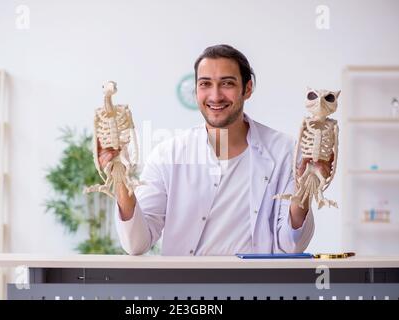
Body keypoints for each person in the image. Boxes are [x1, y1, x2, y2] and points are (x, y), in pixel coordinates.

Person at [98, 44, 332, 256]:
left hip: (255, 288)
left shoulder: (285, 152)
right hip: (185, 294)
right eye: (205, 84)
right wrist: (120, 178)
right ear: (197, 90)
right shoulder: (168, 154)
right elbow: (137, 243)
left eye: (227, 83)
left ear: (247, 89)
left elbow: (291, 245)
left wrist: (303, 193)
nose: (215, 95)